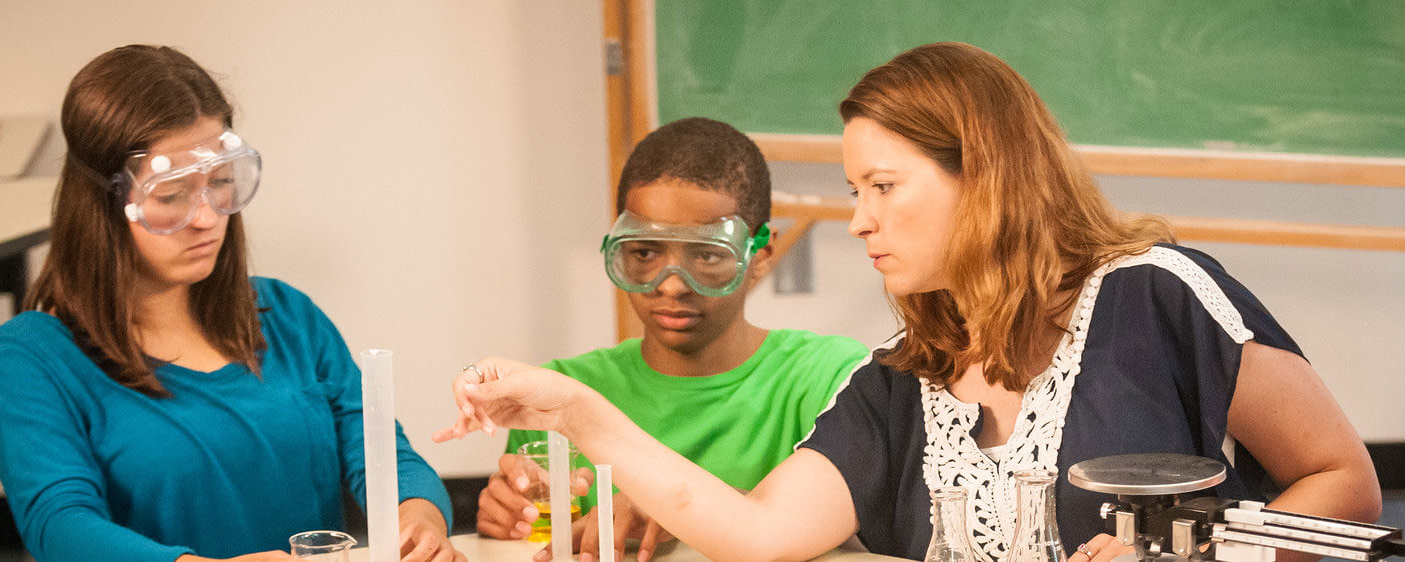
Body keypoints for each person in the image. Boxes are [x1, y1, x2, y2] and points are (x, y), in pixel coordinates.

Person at [436, 42, 1382, 562]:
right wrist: (579, 415)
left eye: (881, 187)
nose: (858, 220)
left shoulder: (1158, 297)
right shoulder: (900, 380)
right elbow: (757, 533)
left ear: (985, 175)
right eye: (855, 192)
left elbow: (1346, 485)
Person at [0, 45, 460, 562]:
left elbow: (385, 458)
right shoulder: (32, 356)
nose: (207, 217)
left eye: (222, 183)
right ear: (105, 201)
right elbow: (60, 526)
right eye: (172, 195)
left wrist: (419, 517)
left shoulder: (288, 316)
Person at [471, 117, 869, 560]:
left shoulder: (832, 379)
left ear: (759, 255)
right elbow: (536, 537)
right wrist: (506, 521)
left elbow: (854, 536)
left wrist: (674, 511)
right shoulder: (558, 391)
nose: (672, 285)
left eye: (706, 255)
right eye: (643, 253)